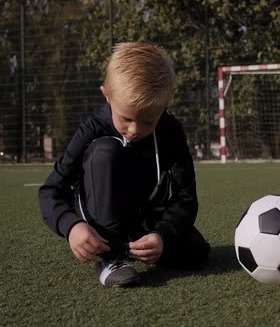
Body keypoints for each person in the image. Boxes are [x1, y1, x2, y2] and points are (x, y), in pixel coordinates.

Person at [38, 43, 210, 288]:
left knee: (196, 252)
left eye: (148, 121)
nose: (134, 130)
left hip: (145, 219)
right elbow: (51, 190)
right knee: (104, 151)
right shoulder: (92, 130)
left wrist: (162, 235)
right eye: (126, 118)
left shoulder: (171, 132)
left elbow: (186, 197)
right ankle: (110, 257)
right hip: (101, 222)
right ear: (106, 95)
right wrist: (72, 227)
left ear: (165, 106)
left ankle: (138, 246)